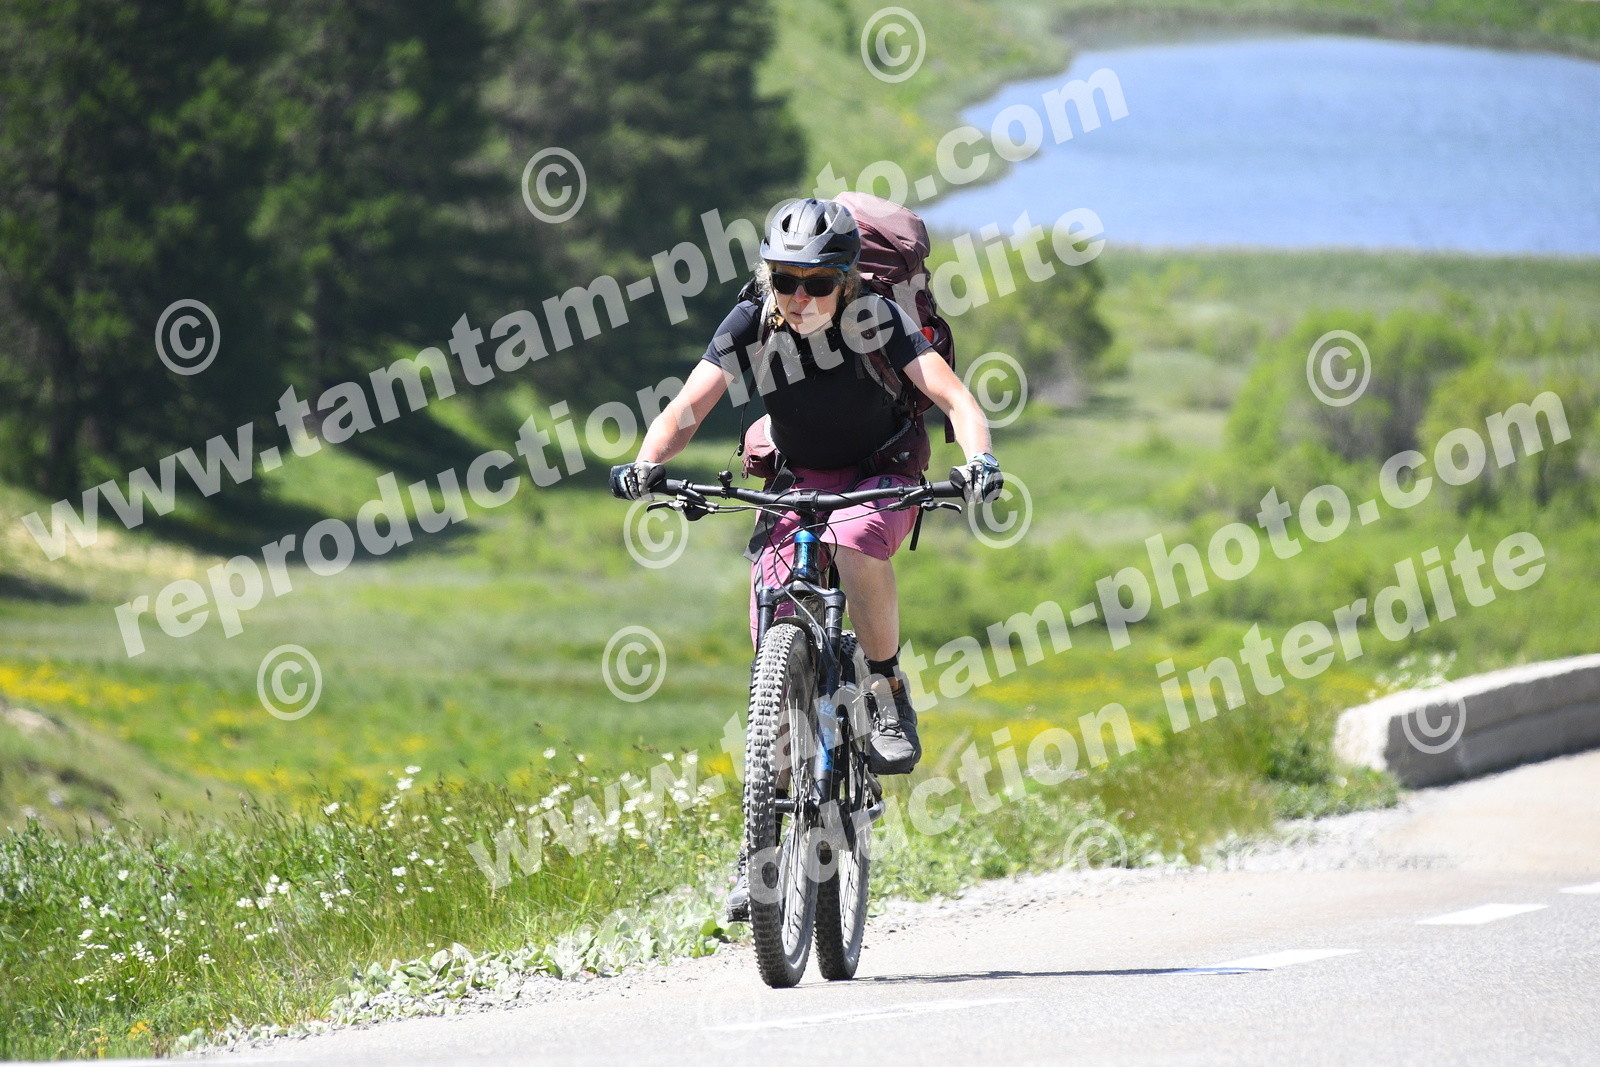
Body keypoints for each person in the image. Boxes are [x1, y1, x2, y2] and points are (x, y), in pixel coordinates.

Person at [609, 197, 1002, 913]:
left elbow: (955, 398)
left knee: (853, 539)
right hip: (799, 477)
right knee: (773, 615)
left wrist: (980, 461)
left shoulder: (878, 319)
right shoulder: (752, 321)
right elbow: (687, 409)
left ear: (846, 282)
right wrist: (645, 464)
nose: (800, 298)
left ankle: (886, 691)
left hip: (882, 470)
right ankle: (760, 842)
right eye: (786, 280)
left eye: (818, 283)